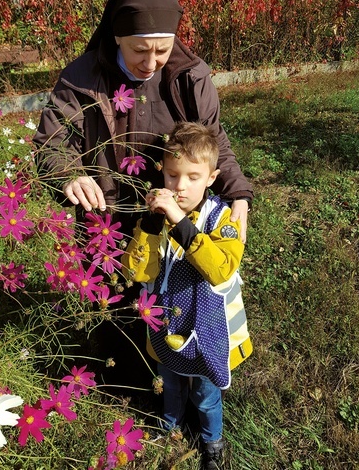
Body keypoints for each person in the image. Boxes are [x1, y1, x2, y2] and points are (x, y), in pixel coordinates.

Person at [33, 0, 253, 390]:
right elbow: (51, 141)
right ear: (118, 36)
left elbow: (213, 139)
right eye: (139, 50)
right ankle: (122, 379)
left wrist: (237, 191)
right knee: (113, 293)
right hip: (108, 214)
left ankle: (174, 371)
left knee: (170, 296)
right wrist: (70, 174)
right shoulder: (82, 77)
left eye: (162, 50)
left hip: (173, 211)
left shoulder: (191, 75)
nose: (151, 63)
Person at [122, 122, 253, 470]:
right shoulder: (155, 219)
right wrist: (150, 227)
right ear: (161, 173)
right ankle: (170, 428)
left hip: (208, 328)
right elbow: (137, 272)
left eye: (193, 177)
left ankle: (212, 442)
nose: (180, 187)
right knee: (169, 383)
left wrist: (181, 222)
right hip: (167, 323)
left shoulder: (222, 219)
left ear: (211, 177)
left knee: (205, 394)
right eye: (172, 175)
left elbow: (220, 268)